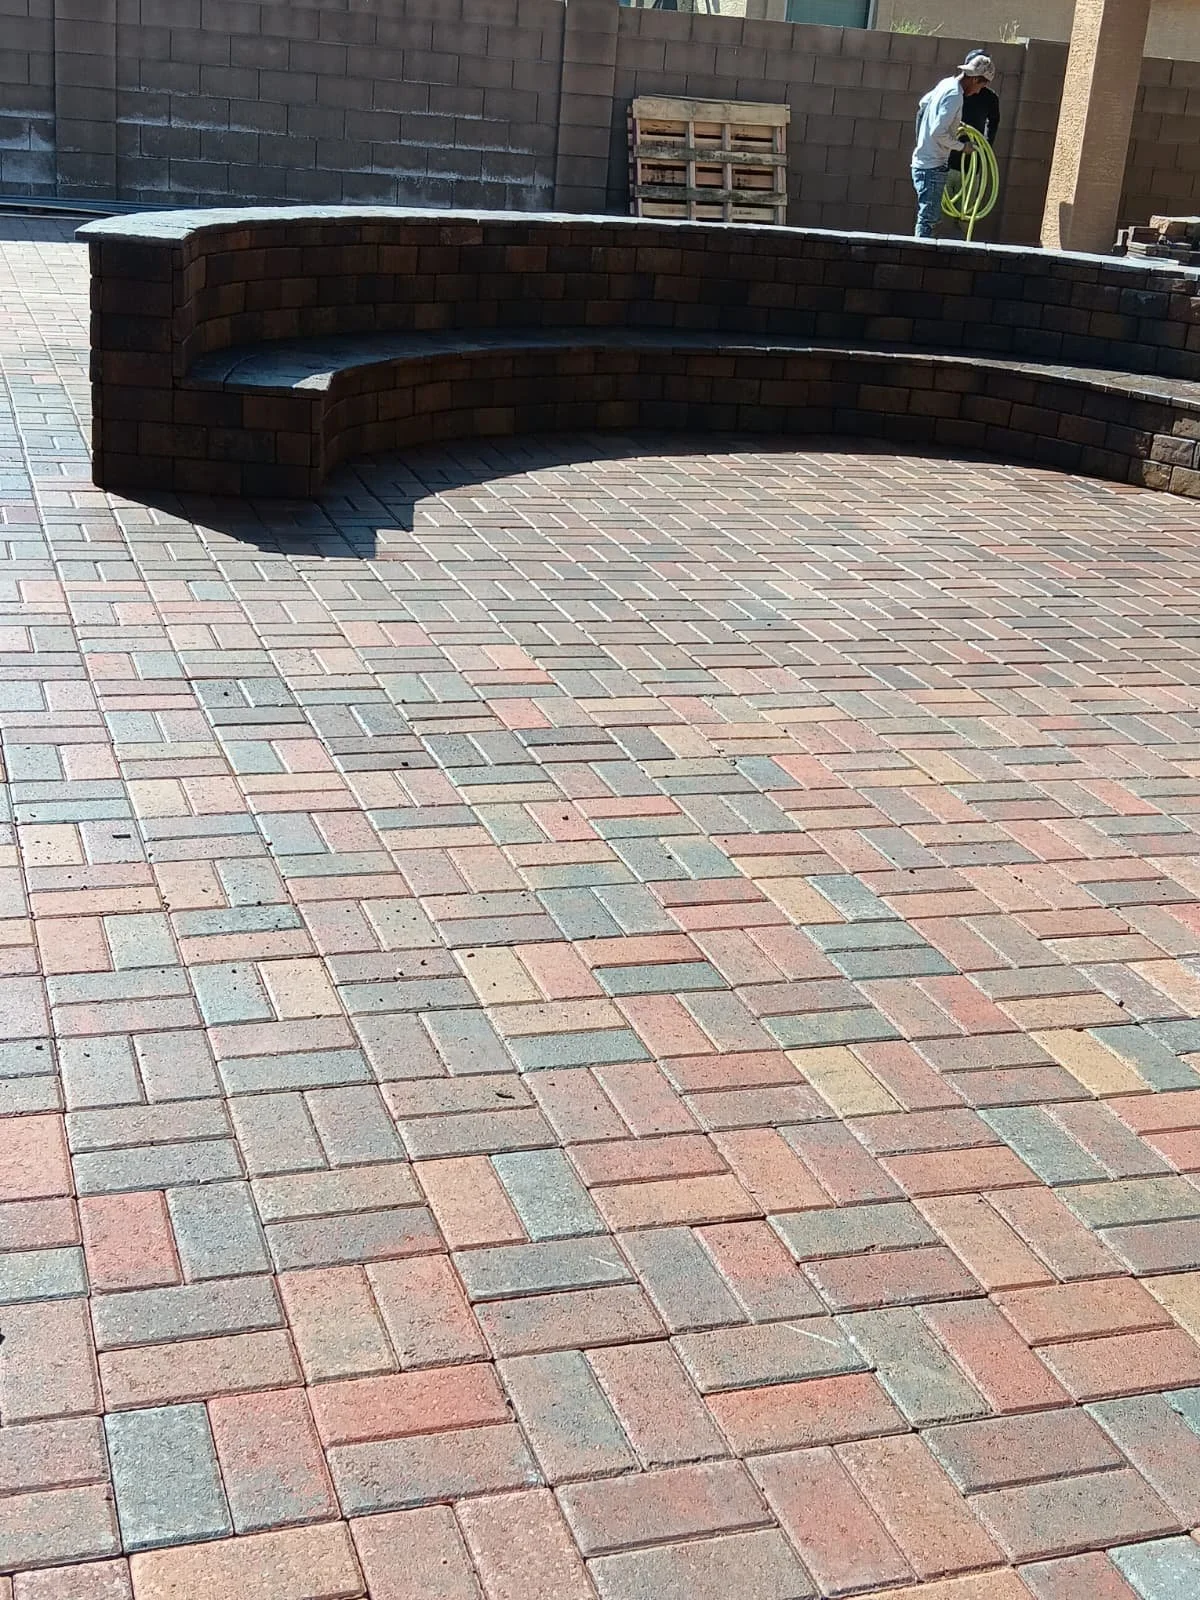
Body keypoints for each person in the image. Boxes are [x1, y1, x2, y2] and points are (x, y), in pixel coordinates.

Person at [911, 53, 996, 239]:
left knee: (929, 218)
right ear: (974, 79)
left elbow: (923, 103)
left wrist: (954, 125)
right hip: (932, 165)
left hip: (926, 162)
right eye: (982, 85)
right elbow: (937, 132)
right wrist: (962, 147)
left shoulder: (946, 83)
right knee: (929, 220)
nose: (980, 91)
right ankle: (919, 258)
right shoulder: (955, 96)